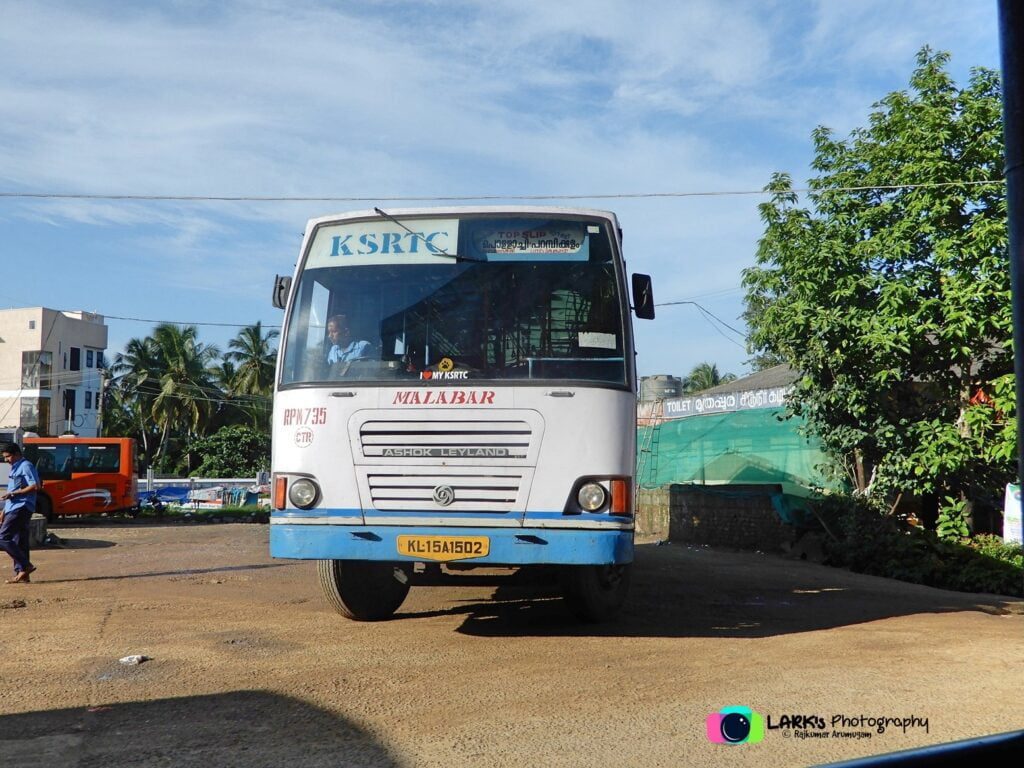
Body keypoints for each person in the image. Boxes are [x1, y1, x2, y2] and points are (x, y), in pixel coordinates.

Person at [0, 442, 40, 584]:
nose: (6, 460)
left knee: (3, 537)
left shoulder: (26, 466)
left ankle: (26, 566)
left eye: (8, 456)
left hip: (21, 507)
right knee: (20, 540)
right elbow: (12, 490)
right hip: (13, 507)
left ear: (17, 454)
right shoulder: (15, 468)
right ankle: (23, 574)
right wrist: (4, 511)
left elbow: (35, 485)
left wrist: (14, 494)